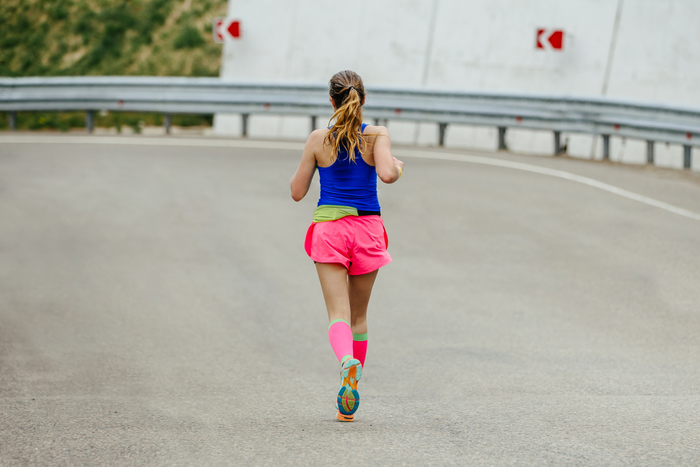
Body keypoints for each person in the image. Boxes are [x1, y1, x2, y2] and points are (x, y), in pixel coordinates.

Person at [290, 70, 404, 422]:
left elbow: (296, 192)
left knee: (337, 314)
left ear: (331, 101)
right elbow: (387, 174)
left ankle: (345, 363)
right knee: (359, 317)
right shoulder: (377, 135)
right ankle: (349, 402)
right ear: (363, 100)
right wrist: (399, 166)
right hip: (367, 229)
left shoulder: (317, 139)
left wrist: (315, 156)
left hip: (330, 230)